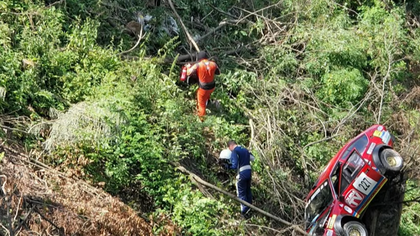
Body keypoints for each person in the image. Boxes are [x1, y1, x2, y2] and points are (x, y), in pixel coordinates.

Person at [184, 51, 220, 119]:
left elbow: (188, 73)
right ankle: (208, 102)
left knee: (201, 104)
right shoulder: (213, 64)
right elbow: (218, 72)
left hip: (203, 88)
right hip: (212, 87)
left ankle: (202, 120)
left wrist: (188, 67)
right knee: (207, 95)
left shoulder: (198, 65)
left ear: (199, 58)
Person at [226, 140, 255, 219]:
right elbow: (252, 158)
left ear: (230, 146)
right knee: (247, 190)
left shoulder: (235, 151)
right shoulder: (245, 149)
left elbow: (234, 166)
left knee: (241, 192)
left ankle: (244, 212)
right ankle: (249, 208)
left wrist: (227, 166)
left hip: (241, 173)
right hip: (249, 172)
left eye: (229, 149)